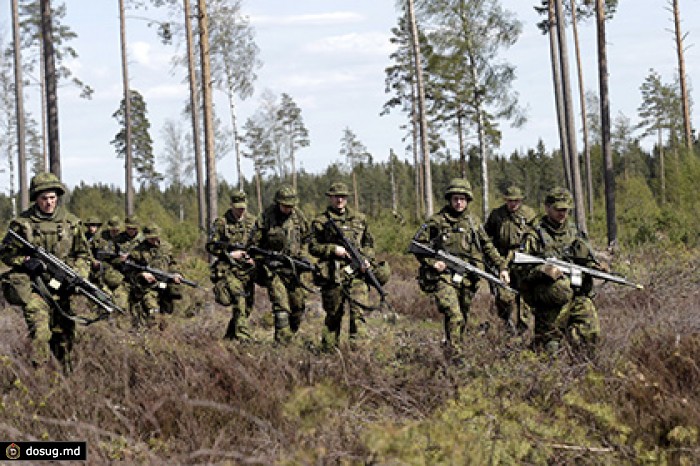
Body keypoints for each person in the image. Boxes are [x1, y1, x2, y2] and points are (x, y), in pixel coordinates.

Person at [0, 172, 91, 372]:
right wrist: (25, 261)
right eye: (44, 198)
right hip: (35, 288)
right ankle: (39, 381)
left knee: (65, 336)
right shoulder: (22, 224)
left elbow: (84, 255)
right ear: (36, 198)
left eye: (52, 198)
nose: (49, 203)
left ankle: (64, 380)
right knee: (41, 332)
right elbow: (5, 254)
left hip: (62, 287)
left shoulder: (71, 223)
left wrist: (78, 275)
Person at [412, 178, 509, 351]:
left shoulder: (473, 222)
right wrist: (433, 263)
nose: (458, 202)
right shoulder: (437, 221)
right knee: (454, 315)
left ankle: (453, 350)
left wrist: (502, 267)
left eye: (462, 199)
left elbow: (487, 246)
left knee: (461, 318)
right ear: (449, 199)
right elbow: (417, 246)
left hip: (467, 277)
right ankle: (456, 356)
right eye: (455, 198)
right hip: (443, 277)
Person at [514, 187, 604, 353]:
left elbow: (586, 259)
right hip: (548, 296)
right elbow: (519, 269)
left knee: (591, 333)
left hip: (575, 293)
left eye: (566, 210)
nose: (562, 214)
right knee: (549, 348)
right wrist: (543, 270)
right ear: (547, 208)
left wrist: (596, 267)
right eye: (558, 209)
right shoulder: (535, 235)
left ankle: (582, 368)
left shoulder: (575, 233)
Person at [309, 182, 381, 351]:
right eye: (336, 196)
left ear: (347, 198)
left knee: (358, 313)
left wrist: (367, 258)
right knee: (334, 315)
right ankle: (328, 352)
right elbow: (313, 247)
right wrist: (333, 249)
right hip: (333, 275)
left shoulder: (359, 219)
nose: (339, 199)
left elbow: (369, 244)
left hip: (357, 274)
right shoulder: (321, 221)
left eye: (342, 196)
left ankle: (358, 353)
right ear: (330, 198)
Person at [248, 186, 311, 344]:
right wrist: (262, 258)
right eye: (285, 206)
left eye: (291, 206)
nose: (288, 209)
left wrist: (303, 258)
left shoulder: (299, 217)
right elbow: (253, 244)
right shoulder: (266, 217)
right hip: (273, 270)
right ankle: (282, 344)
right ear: (278, 203)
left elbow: (308, 238)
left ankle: (291, 335)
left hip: (293, 270)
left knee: (298, 307)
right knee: (281, 306)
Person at [484, 185, 537, 334]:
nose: (513, 204)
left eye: (516, 201)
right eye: (510, 201)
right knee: (503, 295)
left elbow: (538, 237)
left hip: (524, 260)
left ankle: (523, 330)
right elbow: (486, 237)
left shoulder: (529, 214)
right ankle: (506, 325)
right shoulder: (496, 215)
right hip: (501, 258)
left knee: (524, 296)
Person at [206, 191, 257, 341]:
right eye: (237, 207)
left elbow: (259, 245)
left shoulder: (252, 222)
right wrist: (229, 254)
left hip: (246, 271)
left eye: (243, 207)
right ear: (231, 206)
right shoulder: (222, 223)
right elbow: (210, 246)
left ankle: (229, 337)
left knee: (247, 307)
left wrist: (252, 258)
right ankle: (244, 339)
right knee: (239, 299)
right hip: (228, 269)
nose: (240, 210)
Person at [126, 223, 184, 325]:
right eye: (150, 238)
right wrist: (142, 274)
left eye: (155, 237)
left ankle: (163, 337)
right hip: (148, 287)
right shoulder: (137, 251)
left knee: (167, 315)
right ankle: (150, 333)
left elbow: (174, 264)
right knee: (152, 311)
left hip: (165, 286)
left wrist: (176, 274)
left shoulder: (167, 247)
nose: (153, 240)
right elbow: (129, 270)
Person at [91, 216, 130, 311]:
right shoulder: (99, 236)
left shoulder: (125, 239)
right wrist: (93, 260)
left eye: (117, 230)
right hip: (100, 268)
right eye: (113, 230)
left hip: (119, 271)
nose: (115, 232)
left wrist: (126, 257)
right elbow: (88, 250)